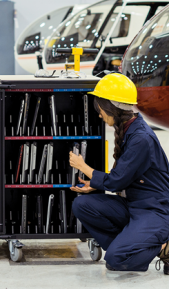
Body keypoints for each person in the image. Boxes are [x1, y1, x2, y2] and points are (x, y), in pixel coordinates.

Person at [69, 73, 169, 274]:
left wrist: (83, 166)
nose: (99, 114)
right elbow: (121, 178)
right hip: (134, 205)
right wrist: (94, 184)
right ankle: (129, 244)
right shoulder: (129, 129)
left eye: (100, 109)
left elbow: (116, 181)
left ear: (111, 107)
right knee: (82, 205)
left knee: (115, 260)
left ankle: (163, 248)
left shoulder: (141, 138)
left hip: (154, 211)